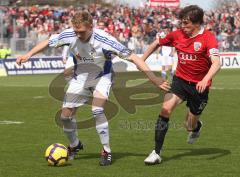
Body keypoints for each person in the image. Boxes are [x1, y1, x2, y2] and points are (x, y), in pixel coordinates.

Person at [16, 11, 170, 166]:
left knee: (97, 110)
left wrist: (154, 78)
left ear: (91, 26)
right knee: (65, 117)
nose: (78, 35)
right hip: (80, 78)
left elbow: (134, 57)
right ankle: (75, 145)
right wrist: (28, 55)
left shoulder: (105, 40)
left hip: (102, 77)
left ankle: (106, 150)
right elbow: (49, 41)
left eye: (81, 32)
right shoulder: (70, 34)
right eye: (76, 32)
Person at [142, 5, 221, 165]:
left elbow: (217, 62)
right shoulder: (177, 35)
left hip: (199, 87)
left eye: (186, 23)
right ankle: (156, 152)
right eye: (182, 23)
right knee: (165, 109)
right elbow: (157, 43)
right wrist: (141, 60)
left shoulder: (208, 38)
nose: (182, 27)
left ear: (197, 23)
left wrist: (205, 79)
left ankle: (196, 127)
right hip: (180, 81)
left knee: (189, 125)